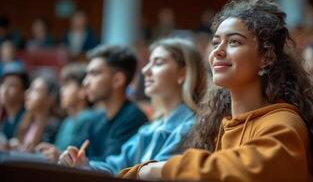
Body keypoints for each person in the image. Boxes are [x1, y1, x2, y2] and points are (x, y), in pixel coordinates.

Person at [119, 0, 313, 182]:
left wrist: (161, 170)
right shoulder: (220, 124)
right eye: (215, 42)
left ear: (267, 57)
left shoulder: (284, 123)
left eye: (234, 42)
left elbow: (245, 171)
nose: (217, 51)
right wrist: (138, 172)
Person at [58, 37, 206, 175]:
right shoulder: (150, 128)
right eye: (148, 62)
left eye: (158, 63)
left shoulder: (191, 127)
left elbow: (156, 175)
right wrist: (84, 165)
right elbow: (116, 165)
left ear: (183, 73)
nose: (145, 70)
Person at [59, 45, 148, 161]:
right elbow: (73, 152)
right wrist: (61, 155)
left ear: (117, 80)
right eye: (87, 75)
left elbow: (112, 167)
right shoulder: (95, 119)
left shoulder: (134, 118)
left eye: (94, 74)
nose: (85, 82)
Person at [35, 63, 96, 162]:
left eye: (67, 85)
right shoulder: (67, 121)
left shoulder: (87, 118)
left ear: (82, 91)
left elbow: (78, 157)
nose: (61, 90)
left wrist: (58, 155)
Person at [10, 76, 61, 152]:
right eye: (29, 89)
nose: (27, 93)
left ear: (50, 98)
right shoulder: (25, 121)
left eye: (35, 91)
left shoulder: (53, 126)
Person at [0, 63, 29, 143]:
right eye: (3, 84)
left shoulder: (28, 118)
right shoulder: (4, 116)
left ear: (24, 93)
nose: (4, 90)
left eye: (12, 85)